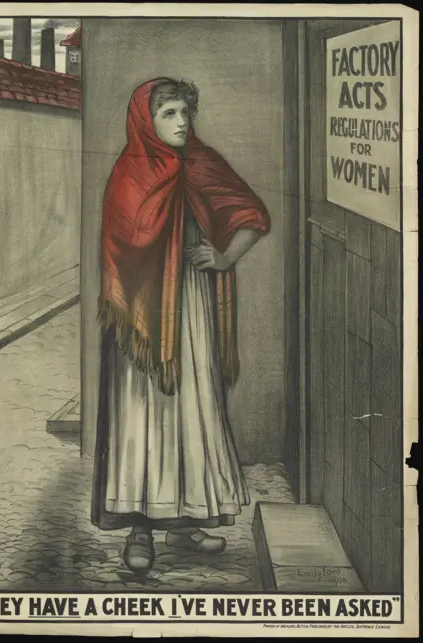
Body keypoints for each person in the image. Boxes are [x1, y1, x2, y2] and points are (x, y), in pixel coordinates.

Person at [91, 77, 270, 574]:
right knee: (142, 418)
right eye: (169, 113)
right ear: (146, 120)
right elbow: (118, 253)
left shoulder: (202, 162)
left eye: (185, 113)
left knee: (192, 408)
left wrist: (223, 256)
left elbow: (252, 215)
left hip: (190, 315)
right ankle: (140, 529)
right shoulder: (128, 173)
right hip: (142, 327)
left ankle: (185, 525)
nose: (181, 123)